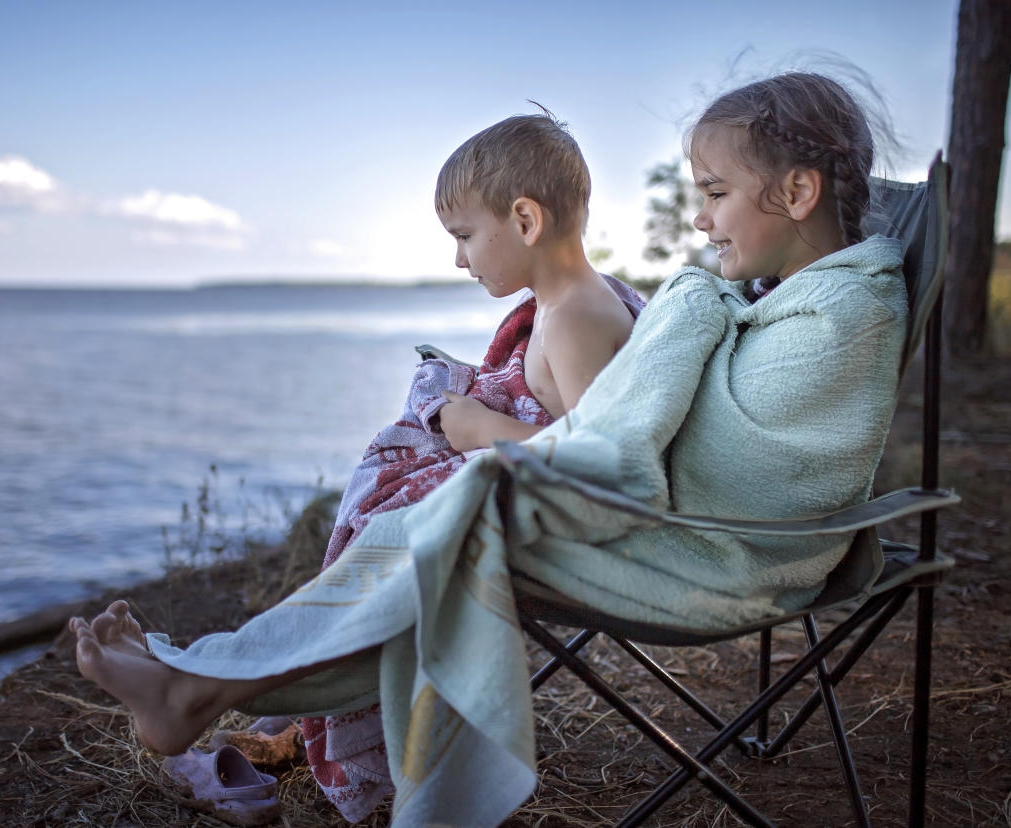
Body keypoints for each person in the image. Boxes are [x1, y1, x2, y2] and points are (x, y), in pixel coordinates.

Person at [72, 72, 909, 828]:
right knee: (434, 531)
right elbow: (708, 423)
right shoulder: (806, 299)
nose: (696, 217)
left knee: (443, 532)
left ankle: (202, 686)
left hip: (723, 556)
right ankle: (201, 684)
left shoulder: (840, 319)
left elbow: (723, 466)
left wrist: (689, 308)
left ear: (797, 192)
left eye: (716, 192)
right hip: (696, 532)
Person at [299, 113, 641, 820]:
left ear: (523, 219)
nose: (459, 260)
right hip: (530, 505)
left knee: (393, 527)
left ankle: (303, 681)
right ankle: (305, 684)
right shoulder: (565, 302)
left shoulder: (576, 314)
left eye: (463, 237)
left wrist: (475, 425)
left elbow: (591, 461)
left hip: (566, 534)